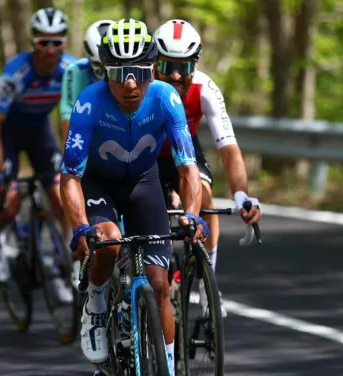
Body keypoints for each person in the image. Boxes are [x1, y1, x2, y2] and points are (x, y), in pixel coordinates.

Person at [60, 19, 210, 376]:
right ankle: (95, 304)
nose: (130, 83)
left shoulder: (166, 97)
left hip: (144, 182)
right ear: (105, 72)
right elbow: (69, 178)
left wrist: (191, 214)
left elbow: (188, 168)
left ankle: (168, 367)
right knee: (109, 242)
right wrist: (81, 227)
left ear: (153, 69)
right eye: (120, 72)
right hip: (99, 183)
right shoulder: (89, 103)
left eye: (140, 72)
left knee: (160, 285)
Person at [153, 19, 262, 317]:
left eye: (184, 67)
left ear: (196, 63)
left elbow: (229, 149)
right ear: (154, 62)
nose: (176, 75)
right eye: (167, 65)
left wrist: (241, 194)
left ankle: (208, 283)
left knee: (207, 199)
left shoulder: (205, 90)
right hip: (146, 153)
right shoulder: (141, 86)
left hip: (183, 152)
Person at [0, 7, 75, 303]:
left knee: (62, 198)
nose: (50, 50)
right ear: (34, 41)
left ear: (65, 42)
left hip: (40, 133)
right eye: (44, 43)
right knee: (10, 200)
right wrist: (0, 172)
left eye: (57, 42)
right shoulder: (16, 71)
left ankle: (66, 265)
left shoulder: (71, 72)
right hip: (9, 132)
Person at [59, 19, 113, 146]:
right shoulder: (75, 71)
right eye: (98, 65)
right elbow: (68, 114)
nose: (104, 72)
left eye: (112, 66)